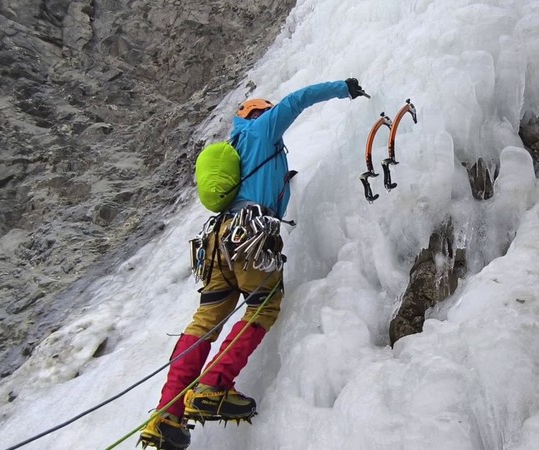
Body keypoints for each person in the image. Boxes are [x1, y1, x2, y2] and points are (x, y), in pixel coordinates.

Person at [139, 78, 369, 449]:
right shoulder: (263, 128)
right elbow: (298, 100)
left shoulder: (237, 147)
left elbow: (259, 183)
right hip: (249, 236)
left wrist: (284, 180)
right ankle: (214, 386)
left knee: (204, 322)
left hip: (217, 242)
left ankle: (166, 414)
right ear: (258, 112)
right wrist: (344, 88)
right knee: (263, 307)